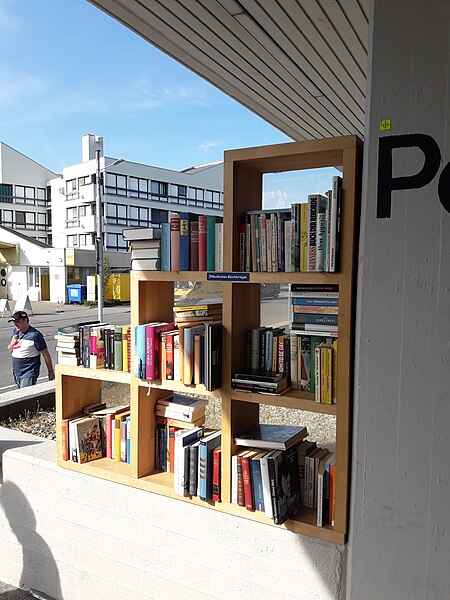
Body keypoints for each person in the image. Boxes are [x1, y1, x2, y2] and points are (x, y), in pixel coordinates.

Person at [7, 310, 54, 388]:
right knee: (20, 394)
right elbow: (10, 350)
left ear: (25, 320)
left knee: (25, 396)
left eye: (17, 322)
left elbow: (46, 354)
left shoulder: (35, 335)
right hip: (17, 372)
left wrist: (50, 371)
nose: (15, 324)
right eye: (14, 322)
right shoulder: (15, 332)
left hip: (29, 372)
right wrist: (12, 343)